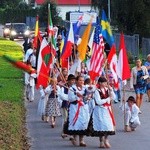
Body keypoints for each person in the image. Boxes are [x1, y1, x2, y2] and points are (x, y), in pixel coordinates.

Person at [87, 77, 116, 148]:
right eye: (104, 82)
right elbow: (98, 102)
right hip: (99, 110)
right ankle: (101, 141)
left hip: (107, 110)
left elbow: (114, 97)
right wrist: (107, 99)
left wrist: (111, 91)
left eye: (106, 82)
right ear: (100, 83)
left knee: (108, 125)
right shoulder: (97, 91)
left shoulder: (107, 89)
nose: (106, 83)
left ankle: (106, 139)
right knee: (101, 126)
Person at [64, 76, 90, 147]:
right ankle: (74, 137)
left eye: (83, 81)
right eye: (80, 80)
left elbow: (88, 96)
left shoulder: (85, 88)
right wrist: (76, 96)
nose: (82, 82)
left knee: (83, 123)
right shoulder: (72, 89)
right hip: (75, 108)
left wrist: (87, 97)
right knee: (75, 123)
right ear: (76, 81)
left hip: (83, 108)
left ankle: (82, 140)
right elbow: (70, 98)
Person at [59, 74, 76, 139]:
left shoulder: (75, 88)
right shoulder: (64, 87)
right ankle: (64, 132)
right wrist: (69, 98)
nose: (73, 81)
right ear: (68, 81)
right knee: (65, 119)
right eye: (72, 80)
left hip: (73, 106)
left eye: (74, 80)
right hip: (65, 104)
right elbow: (61, 96)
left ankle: (71, 133)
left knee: (72, 119)